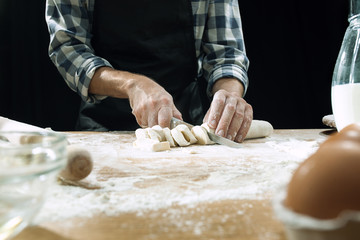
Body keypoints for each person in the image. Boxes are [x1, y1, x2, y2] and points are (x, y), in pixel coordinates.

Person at [45, 0, 253, 143]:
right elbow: (68, 48)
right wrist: (131, 85)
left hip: (184, 128)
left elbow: (226, 53)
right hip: (104, 127)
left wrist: (229, 95)